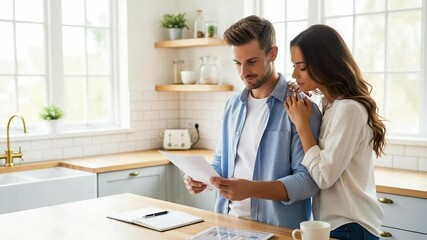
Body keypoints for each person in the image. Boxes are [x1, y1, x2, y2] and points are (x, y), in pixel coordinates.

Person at [183, 15, 322, 229]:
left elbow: (308, 182)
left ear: (272, 54)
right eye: (237, 63)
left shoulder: (301, 108)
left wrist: (251, 189)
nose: (243, 72)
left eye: (252, 62)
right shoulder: (232, 106)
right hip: (226, 226)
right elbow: (222, 161)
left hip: (276, 230)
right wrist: (203, 178)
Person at [284, 24, 386, 240]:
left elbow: (324, 177)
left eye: (301, 67)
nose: (294, 73)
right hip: (339, 225)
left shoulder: (348, 109)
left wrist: (302, 125)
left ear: (324, 65)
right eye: (294, 66)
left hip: (351, 227)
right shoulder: (330, 105)